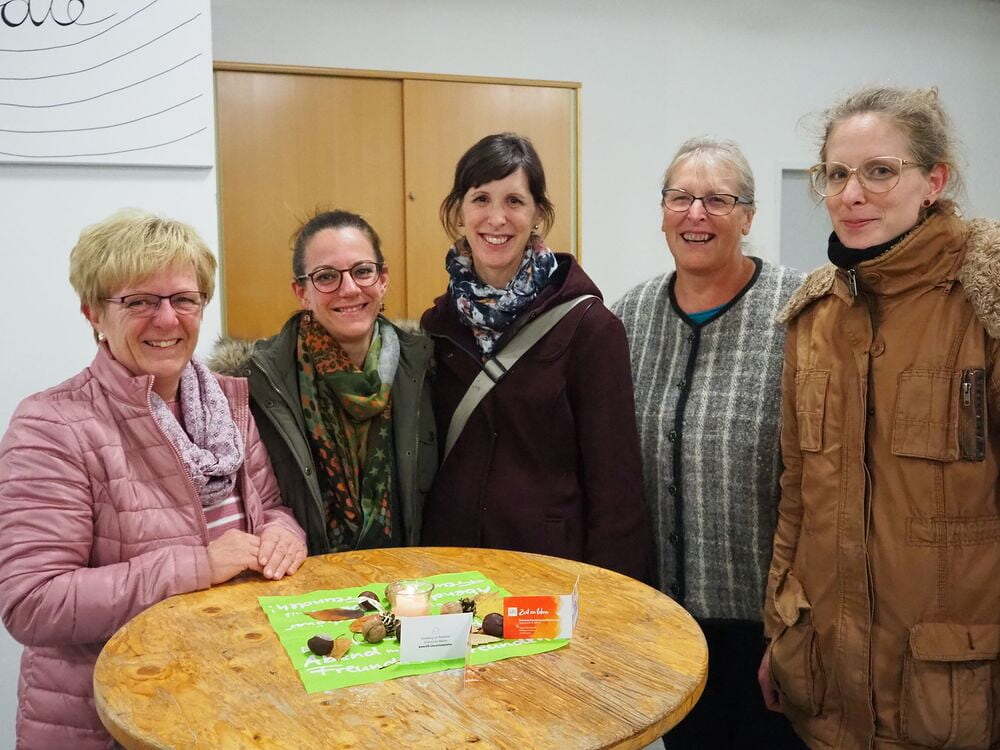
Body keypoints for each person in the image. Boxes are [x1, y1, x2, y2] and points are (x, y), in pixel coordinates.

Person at [0, 209, 306, 749]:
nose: (166, 320)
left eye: (183, 299)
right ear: (93, 312)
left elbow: (270, 509)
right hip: (114, 718)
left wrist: (284, 534)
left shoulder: (228, 403)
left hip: (234, 692)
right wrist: (199, 565)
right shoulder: (52, 424)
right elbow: (33, 602)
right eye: (139, 301)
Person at [760, 86, 1000, 749]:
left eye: (880, 171)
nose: (852, 194)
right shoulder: (813, 318)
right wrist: (778, 630)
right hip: (826, 688)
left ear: (934, 182)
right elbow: (796, 496)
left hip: (951, 697)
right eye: (836, 174)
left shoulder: (985, 302)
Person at [612, 137, 805, 748]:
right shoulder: (629, 317)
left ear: (748, 217)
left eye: (719, 200)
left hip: (771, 626)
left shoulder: (800, 312)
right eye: (681, 198)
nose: (696, 214)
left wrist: (796, 630)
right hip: (667, 623)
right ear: (662, 211)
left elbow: (825, 484)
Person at [420, 132, 650, 580]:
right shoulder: (439, 327)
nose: (496, 218)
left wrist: (615, 592)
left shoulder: (589, 327)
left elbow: (616, 485)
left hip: (550, 571)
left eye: (514, 201)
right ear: (459, 212)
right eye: (481, 199)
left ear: (538, 213)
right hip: (453, 565)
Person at [210, 210, 436, 554]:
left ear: (383, 278)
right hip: (304, 577)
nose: (349, 289)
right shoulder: (252, 384)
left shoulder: (427, 366)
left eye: (362, 271)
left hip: (409, 576)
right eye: (327, 276)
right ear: (301, 291)